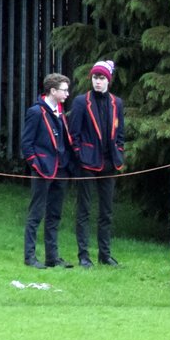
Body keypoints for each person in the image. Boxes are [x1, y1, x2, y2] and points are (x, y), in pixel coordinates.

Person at [68, 59, 126, 268]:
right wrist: (80, 154)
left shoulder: (116, 102)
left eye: (101, 78)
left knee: (106, 211)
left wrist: (119, 151)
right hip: (87, 162)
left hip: (109, 163)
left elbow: (120, 133)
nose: (98, 81)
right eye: (95, 77)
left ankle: (105, 254)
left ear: (108, 80)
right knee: (84, 209)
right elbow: (73, 133)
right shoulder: (81, 102)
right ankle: (84, 256)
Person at [21, 72, 75, 269]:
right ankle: (30, 257)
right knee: (36, 214)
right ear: (52, 91)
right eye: (64, 90)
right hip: (43, 170)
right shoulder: (36, 112)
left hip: (61, 170)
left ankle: (52, 257)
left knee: (54, 215)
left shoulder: (59, 111)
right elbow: (27, 144)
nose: (67, 94)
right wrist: (37, 164)